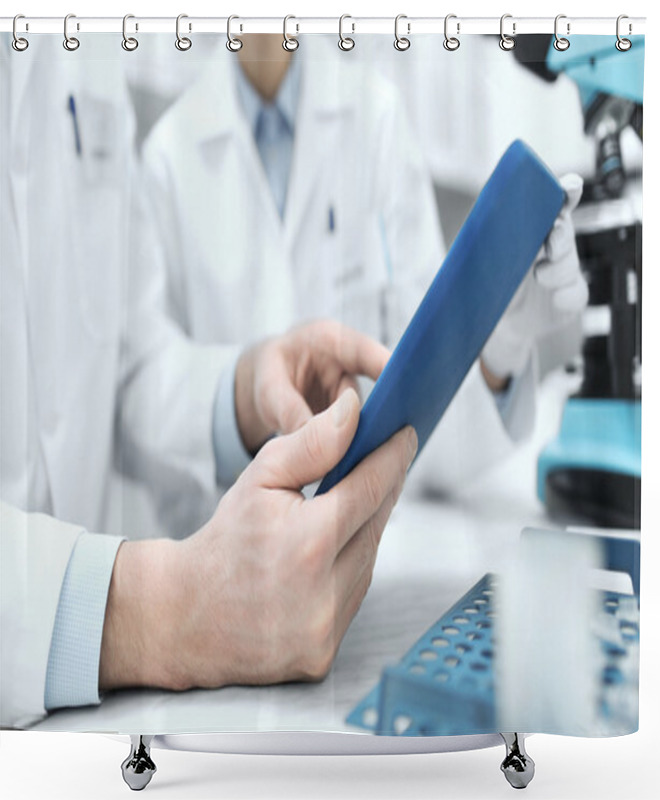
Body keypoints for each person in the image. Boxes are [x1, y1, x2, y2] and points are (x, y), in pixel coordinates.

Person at [0, 36, 415, 729]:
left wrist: (246, 390)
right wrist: (158, 611)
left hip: (86, 716)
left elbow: (126, 362)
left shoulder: (79, 43)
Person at [140, 34, 587, 524]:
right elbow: (147, 417)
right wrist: (242, 401)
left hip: (376, 553)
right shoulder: (167, 156)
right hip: (229, 557)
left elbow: (430, 434)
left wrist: (502, 340)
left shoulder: (378, 120)